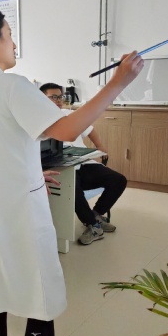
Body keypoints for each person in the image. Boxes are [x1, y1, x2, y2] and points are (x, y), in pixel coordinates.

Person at [0, 8, 143, 336]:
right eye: (9, 34)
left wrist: (28, 172)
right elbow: (68, 129)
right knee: (40, 308)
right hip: (22, 217)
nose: (13, 42)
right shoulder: (12, 86)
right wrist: (118, 82)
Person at [40, 83, 128, 245]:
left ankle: (96, 215)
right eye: (53, 97)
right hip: (61, 167)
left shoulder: (68, 114)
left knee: (118, 180)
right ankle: (93, 225)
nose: (58, 100)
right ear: (41, 99)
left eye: (60, 97)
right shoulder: (38, 120)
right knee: (72, 187)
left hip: (84, 162)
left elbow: (89, 130)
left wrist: (100, 146)